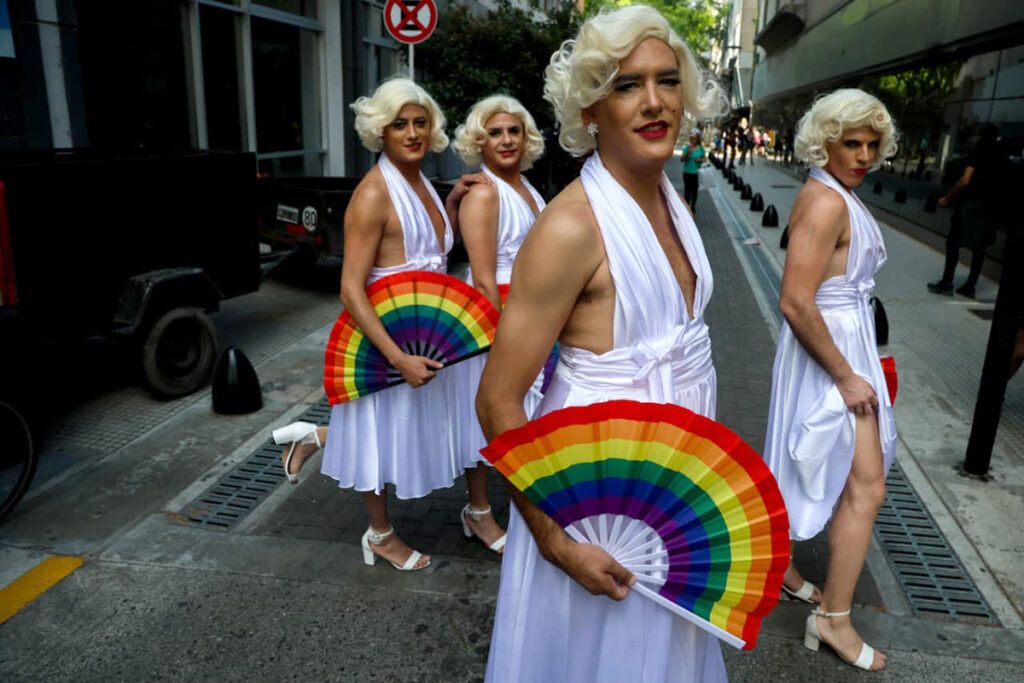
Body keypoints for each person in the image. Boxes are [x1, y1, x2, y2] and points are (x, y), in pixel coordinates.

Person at [477, 6, 727, 682]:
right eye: (625, 85)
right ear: (591, 109)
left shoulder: (673, 203)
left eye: (667, 80)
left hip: (674, 499)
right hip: (591, 511)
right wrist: (558, 545)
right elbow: (498, 400)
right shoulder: (568, 230)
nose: (653, 102)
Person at [272, 78, 485, 571]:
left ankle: (312, 439)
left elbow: (430, 253)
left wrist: (451, 208)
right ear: (380, 132)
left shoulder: (425, 184)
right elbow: (350, 288)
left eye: (419, 122)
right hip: (385, 339)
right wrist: (396, 358)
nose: (411, 133)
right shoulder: (372, 195)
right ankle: (380, 535)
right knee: (374, 433)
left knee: (394, 430)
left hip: (420, 329)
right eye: (398, 124)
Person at [762, 89, 899, 671]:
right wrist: (846, 376)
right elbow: (795, 300)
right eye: (851, 142)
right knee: (864, 486)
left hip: (841, 347)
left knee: (839, 476)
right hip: (830, 356)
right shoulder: (826, 202)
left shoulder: (836, 194)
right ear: (825, 142)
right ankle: (833, 621)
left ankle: (791, 574)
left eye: (872, 143)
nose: (864, 154)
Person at [447, 94, 548, 553]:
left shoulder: (528, 187)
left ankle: (521, 509)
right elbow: (483, 278)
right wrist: (503, 336)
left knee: (524, 418)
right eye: (494, 132)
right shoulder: (483, 193)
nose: (505, 140)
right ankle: (479, 511)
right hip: (500, 317)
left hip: (535, 313)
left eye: (513, 130)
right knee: (489, 418)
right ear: (478, 141)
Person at [927, 124, 1005, 299]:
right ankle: (970, 285)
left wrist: (948, 197)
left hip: (970, 204)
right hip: (989, 206)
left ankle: (947, 283)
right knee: (979, 249)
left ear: (980, 135)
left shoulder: (978, 150)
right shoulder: (1001, 153)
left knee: (953, 243)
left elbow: (965, 179)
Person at [680, 129, 706, 212]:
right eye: (692, 139)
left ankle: (693, 206)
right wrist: (688, 153)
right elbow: (682, 159)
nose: (693, 141)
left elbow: (704, 158)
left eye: (695, 139)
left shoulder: (701, 148)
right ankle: (687, 207)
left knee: (694, 191)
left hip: (695, 173)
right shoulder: (687, 148)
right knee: (687, 190)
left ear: (698, 139)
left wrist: (700, 160)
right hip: (687, 172)